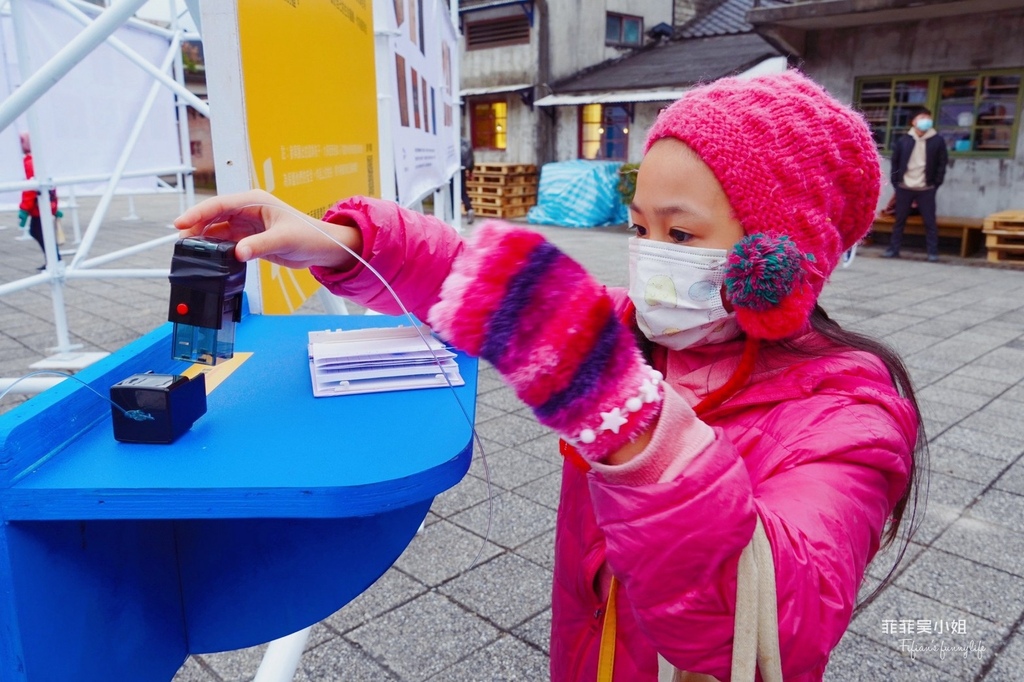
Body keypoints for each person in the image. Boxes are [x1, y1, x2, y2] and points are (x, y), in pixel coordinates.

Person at [174, 70, 924, 681]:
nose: (650, 252)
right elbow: (470, 276)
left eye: (682, 232)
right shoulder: (640, 333)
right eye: (638, 228)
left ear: (781, 255)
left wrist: (635, 426)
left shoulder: (850, 411)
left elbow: (776, 628)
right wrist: (341, 243)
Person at [883, 107, 948, 262]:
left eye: (928, 117)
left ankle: (932, 252)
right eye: (922, 117)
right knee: (899, 220)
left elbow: (942, 164)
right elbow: (895, 162)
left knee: (930, 221)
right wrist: (896, 183)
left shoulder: (937, 141)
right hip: (905, 187)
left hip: (926, 188)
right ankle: (893, 249)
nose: (926, 120)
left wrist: (935, 184)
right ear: (913, 121)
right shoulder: (904, 140)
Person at [17, 132, 63, 270]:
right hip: (44, 205)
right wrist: (55, 208)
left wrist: (24, 210)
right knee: (41, 232)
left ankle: (54, 260)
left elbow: (30, 189)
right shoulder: (39, 161)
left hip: (39, 207)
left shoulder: (29, 163)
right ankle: (54, 259)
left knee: (38, 232)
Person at [460, 136, 475, 224]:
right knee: (463, 192)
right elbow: (471, 158)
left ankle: (452, 215)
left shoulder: (449, 142)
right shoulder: (465, 142)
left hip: (451, 171)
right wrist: (470, 171)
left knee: (451, 194)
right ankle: (469, 209)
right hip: (462, 170)